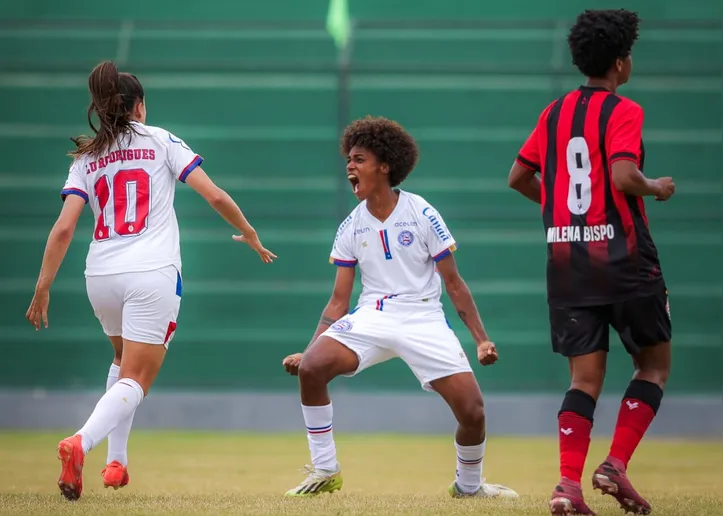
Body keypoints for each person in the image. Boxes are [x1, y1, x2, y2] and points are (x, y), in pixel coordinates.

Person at [25, 60, 276, 501]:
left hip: (100, 274)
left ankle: (115, 463)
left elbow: (64, 228)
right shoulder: (160, 139)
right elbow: (214, 193)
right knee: (137, 379)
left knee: (122, 363)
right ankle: (80, 442)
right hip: (151, 271)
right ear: (138, 106)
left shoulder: (88, 156)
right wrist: (250, 233)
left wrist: (43, 286)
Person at [280, 115, 518, 500]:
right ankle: (326, 470)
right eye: (348, 160)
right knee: (312, 368)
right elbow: (339, 300)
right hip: (372, 315)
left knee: (473, 411)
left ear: (385, 165)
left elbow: (453, 283)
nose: (350, 167)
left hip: (423, 317)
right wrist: (309, 348)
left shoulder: (422, 212)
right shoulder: (349, 227)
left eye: (359, 159)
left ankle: (469, 487)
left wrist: (481, 339)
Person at [508, 9, 675, 516]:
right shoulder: (623, 110)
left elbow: (518, 176)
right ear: (621, 63)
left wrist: (561, 211)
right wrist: (656, 187)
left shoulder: (554, 112)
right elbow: (624, 176)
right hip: (624, 260)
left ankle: (567, 487)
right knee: (653, 365)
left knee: (583, 381)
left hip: (567, 263)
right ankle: (616, 464)